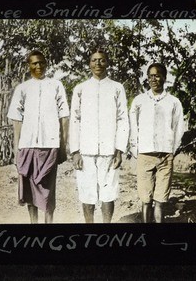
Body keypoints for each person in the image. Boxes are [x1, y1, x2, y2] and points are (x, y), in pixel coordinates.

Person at [7, 50, 69, 224]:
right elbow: (16, 120)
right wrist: (16, 150)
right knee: (29, 191)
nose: (38, 66)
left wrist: (63, 145)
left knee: (48, 191)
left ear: (46, 64)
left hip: (49, 145)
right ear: (29, 65)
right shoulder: (23, 88)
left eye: (41, 62)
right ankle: (33, 225)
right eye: (34, 63)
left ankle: (48, 225)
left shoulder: (56, 85)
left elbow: (64, 116)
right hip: (27, 145)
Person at [69, 48, 129, 223]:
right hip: (86, 151)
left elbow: (123, 119)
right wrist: (75, 151)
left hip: (109, 151)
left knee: (108, 192)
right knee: (87, 194)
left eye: (102, 60)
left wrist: (119, 150)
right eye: (94, 60)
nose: (98, 63)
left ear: (107, 63)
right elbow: (75, 120)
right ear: (89, 64)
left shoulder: (117, 88)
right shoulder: (80, 89)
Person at [129, 63, 185, 223]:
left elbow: (179, 128)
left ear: (164, 78)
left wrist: (171, 150)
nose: (154, 79)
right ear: (147, 78)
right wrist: (135, 149)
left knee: (160, 200)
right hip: (145, 155)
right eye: (151, 75)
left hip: (165, 156)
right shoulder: (139, 101)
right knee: (146, 200)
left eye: (158, 75)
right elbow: (133, 126)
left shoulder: (173, 102)